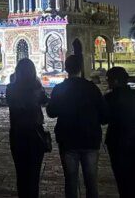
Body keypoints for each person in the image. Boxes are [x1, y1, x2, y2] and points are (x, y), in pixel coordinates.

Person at [47, 55, 107, 198]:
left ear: (66, 69)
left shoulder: (60, 88)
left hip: (68, 141)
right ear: (81, 68)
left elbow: (51, 112)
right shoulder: (92, 88)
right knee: (91, 182)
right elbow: (104, 115)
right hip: (90, 140)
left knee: (71, 181)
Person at [6, 59, 49, 198]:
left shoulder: (10, 89)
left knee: (21, 172)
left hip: (17, 134)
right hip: (35, 133)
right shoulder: (37, 88)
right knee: (34, 174)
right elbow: (45, 101)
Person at [104, 67, 135, 198]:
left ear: (115, 81)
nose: (107, 83)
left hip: (117, 142)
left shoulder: (110, 98)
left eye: (108, 80)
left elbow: (104, 118)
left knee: (122, 178)